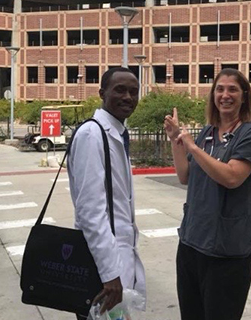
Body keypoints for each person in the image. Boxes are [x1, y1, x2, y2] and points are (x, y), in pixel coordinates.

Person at [164, 68, 251, 320]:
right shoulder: (207, 133)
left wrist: (191, 146)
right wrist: (176, 141)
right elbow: (185, 176)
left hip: (227, 251)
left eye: (232, 89)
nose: (225, 95)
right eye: (219, 89)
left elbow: (232, 177)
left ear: (244, 95)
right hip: (191, 243)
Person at [67, 67, 146, 319]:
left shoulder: (116, 133)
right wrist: (110, 273)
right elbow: (90, 210)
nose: (128, 97)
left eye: (134, 92)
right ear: (102, 92)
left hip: (115, 262)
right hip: (102, 269)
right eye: (120, 90)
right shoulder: (93, 135)